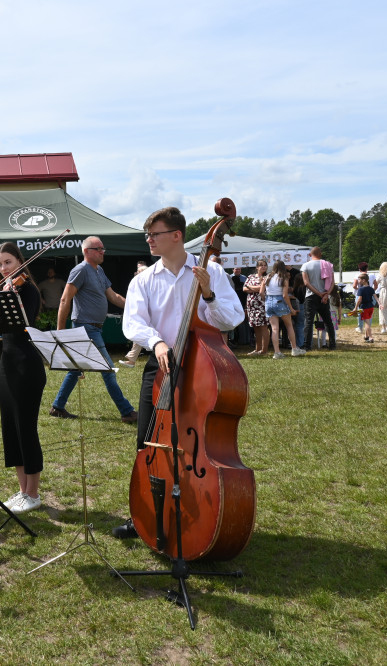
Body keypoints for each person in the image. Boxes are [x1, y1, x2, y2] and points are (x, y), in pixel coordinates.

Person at [115, 206, 243, 538]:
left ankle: (204, 509)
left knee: (198, 443)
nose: (149, 241)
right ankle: (144, 513)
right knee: (148, 442)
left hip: (204, 367)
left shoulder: (210, 272)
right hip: (161, 366)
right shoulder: (143, 280)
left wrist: (210, 297)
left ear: (176, 235)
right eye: (147, 235)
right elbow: (133, 323)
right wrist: (156, 342)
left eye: (154, 235)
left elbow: (233, 319)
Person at [0, 242, 46, 514]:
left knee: (26, 428)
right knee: (11, 430)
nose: (3, 268)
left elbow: (21, 322)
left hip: (27, 365)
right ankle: (22, 490)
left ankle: (34, 493)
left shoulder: (27, 290)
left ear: (19, 261)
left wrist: (7, 297)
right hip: (6, 364)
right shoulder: (5, 290)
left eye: (8, 262)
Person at [49, 236, 137, 424]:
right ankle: (127, 411)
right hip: (85, 328)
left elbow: (113, 296)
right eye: (99, 248)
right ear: (87, 252)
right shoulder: (80, 270)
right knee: (107, 370)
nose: (103, 251)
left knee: (75, 369)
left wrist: (135, 307)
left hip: (93, 328)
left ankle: (57, 407)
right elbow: (65, 300)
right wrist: (60, 332)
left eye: (103, 248)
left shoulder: (99, 271)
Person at [263, 260, 305, 358]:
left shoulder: (267, 277)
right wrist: (291, 308)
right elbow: (285, 295)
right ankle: (294, 349)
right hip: (279, 301)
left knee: (274, 329)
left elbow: (262, 292)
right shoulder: (283, 278)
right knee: (289, 326)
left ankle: (277, 352)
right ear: (283, 268)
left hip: (269, 301)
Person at [301, 247, 337, 351]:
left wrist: (318, 293)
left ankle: (307, 345)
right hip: (325, 296)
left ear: (310, 255)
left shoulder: (305, 265)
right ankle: (332, 344)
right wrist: (326, 295)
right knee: (328, 321)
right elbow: (332, 282)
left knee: (309, 321)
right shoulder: (328, 265)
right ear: (320, 254)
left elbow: (306, 283)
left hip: (311, 296)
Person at [119, 262, 149, 367]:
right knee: (138, 336)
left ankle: (131, 359)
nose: (136, 273)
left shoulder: (146, 284)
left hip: (149, 318)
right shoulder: (138, 284)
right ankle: (131, 360)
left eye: (139, 271)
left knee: (139, 336)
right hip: (144, 317)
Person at [243, 259, 269, 356]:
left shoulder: (267, 277)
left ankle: (264, 350)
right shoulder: (250, 276)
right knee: (255, 327)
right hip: (251, 305)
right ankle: (257, 349)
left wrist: (250, 287)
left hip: (262, 304)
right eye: (261, 265)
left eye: (265, 265)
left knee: (263, 326)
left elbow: (263, 289)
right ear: (257, 267)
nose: (263, 267)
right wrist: (255, 288)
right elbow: (244, 288)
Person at [352, 263, 376, 334]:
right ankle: (368, 326)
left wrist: (359, 289)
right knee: (369, 311)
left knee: (360, 311)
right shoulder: (372, 275)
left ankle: (360, 327)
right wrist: (370, 291)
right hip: (370, 295)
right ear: (367, 268)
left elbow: (354, 286)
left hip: (360, 295)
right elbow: (376, 285)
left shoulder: (357, 275)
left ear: (359, 269)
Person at [354, 274, 377, 342]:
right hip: (371, 307)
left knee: (367, 323)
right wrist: (380, 304)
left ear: (364, 280)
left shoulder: (360, 289)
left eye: (359, 279)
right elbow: (375, 297)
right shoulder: (371, 288)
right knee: (368, 321)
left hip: (364, 308)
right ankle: (366, 336)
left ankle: (370, 337)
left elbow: (359, 300)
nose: (358, 281)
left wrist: (355, 308)